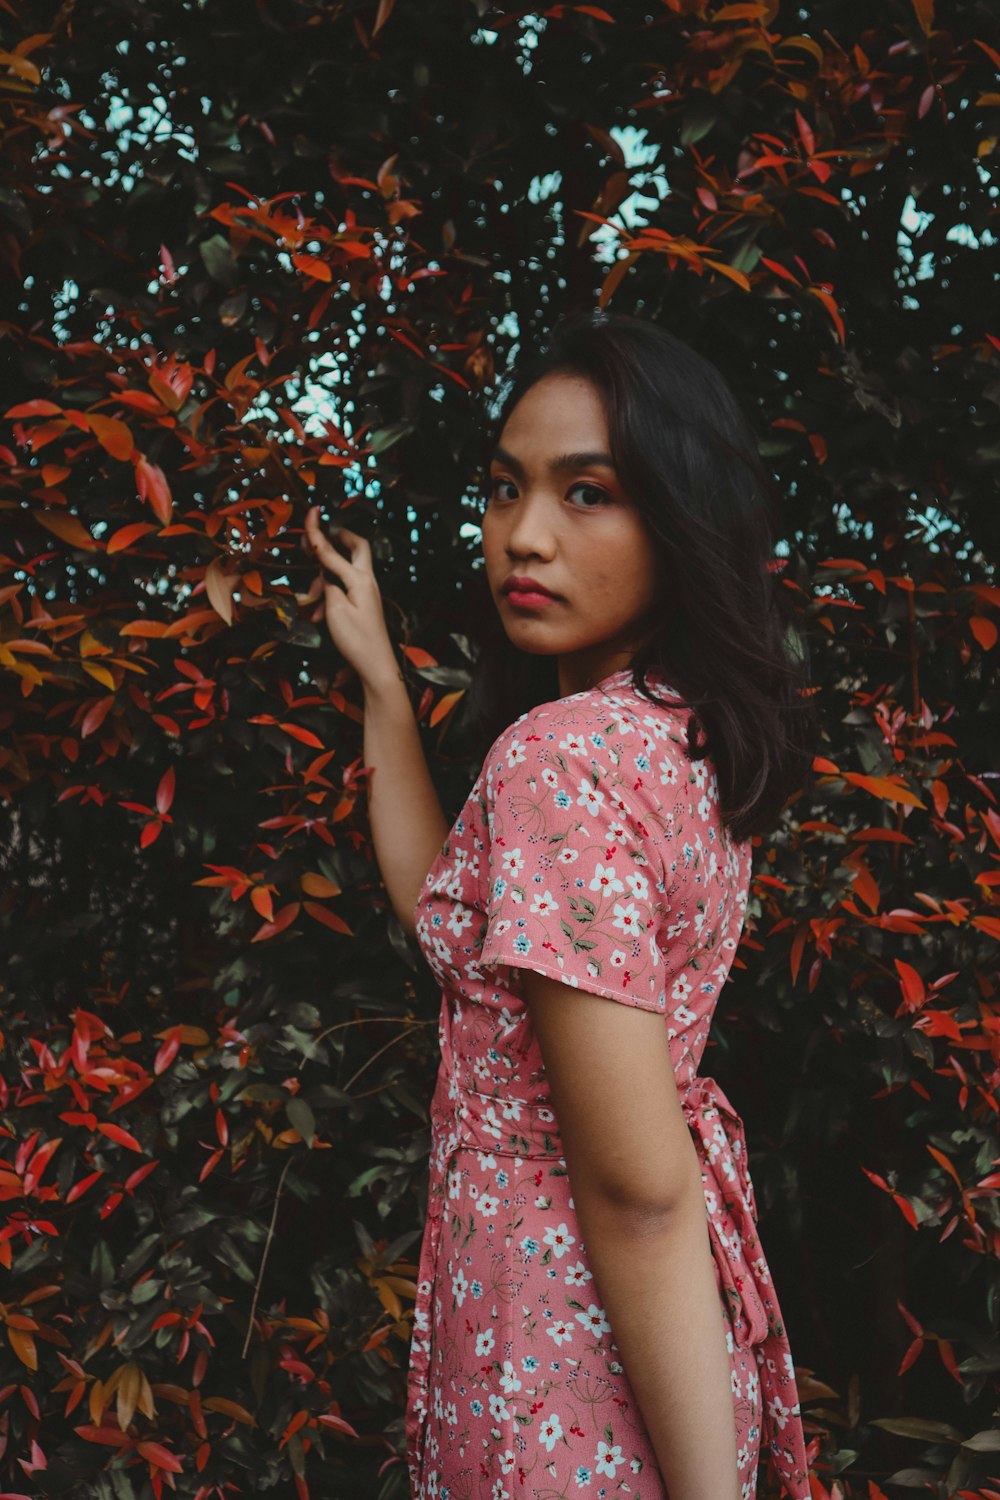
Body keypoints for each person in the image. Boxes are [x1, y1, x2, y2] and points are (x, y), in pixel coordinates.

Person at [305, 309, 818, 1500]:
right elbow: (456, 929)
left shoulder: (563, 760)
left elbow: (639, 1189)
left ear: (681, 519)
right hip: (661, 1346)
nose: (520, 537)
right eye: (502, 489)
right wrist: (384, 681)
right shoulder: (677, 737)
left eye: (587, 493)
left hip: (563, 1357)